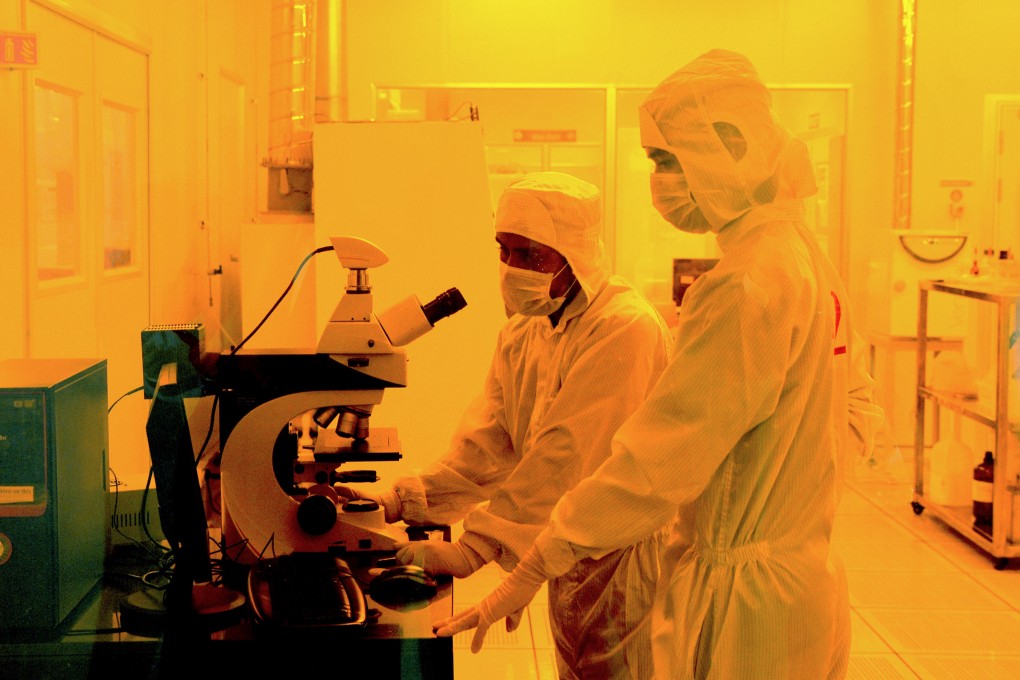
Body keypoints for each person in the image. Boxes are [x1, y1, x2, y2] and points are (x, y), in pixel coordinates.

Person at [434, 49, 884, 680]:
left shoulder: (745, 284)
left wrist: (537, 561)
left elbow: (655, 465)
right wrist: (786, 492)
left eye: (666, 160)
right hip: (804, 583)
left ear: (731, 145)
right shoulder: (802, 257)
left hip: (746, 605)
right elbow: (855, 414)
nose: (660, 182)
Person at [340, 171, 674, 679]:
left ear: (574, 253)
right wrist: (398, 499)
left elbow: (564, 454)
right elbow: (492, 442)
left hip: (622, 557)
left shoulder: (623, 327)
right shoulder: (525, 330)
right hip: (564, 549)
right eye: (504, 249)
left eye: (529, 254)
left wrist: (476, 547)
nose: (512, 267)